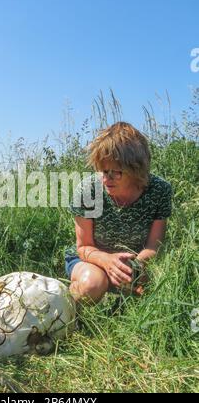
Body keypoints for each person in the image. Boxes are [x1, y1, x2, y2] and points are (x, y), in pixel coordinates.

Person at [64, 122, 173, 303]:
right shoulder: (88, 190)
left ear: (135, 170)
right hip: (91, 260)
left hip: (136, 263)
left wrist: (133, 268)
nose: (107, 179)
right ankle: (69, 313)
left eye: (116, 173)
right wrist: (107, 261)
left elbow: (154, 246)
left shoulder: (159, 190)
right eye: (103, 170)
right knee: (92, 284)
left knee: (160, 292)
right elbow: (83, 247)